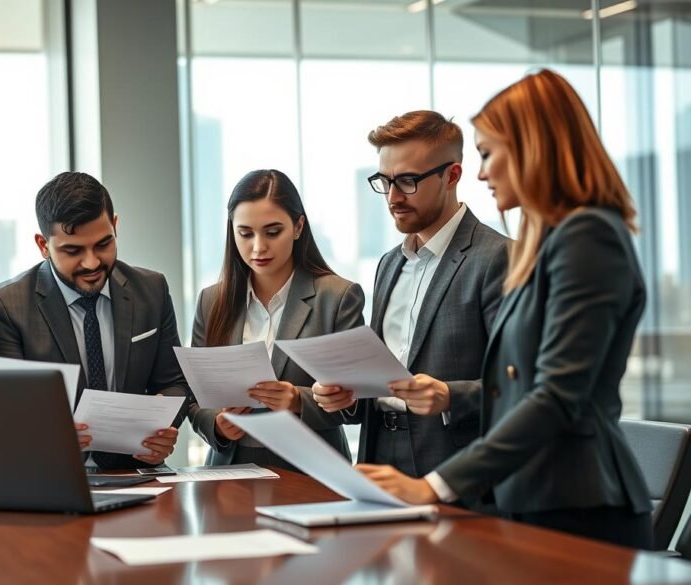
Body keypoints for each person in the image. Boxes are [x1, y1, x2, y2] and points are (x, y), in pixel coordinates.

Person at [357, 70, 654, 549]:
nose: (480, 172)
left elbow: (555, 395)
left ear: (535, 149)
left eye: (489, 154)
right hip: (532, 500)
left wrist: (435, 484)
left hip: (577, 509)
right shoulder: (555, 241)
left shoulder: (588, 237)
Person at [311, 111, 509, 489]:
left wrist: (450, 396)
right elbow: (382, 375)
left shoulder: (496, 258)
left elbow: (518, 386)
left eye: (407, 181)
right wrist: (348, 395)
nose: (392, 197)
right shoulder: (389, 264)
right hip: (378, 454)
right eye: (384, 182)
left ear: (452, 176)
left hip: (454, 464)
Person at [0, 172, 189, 470]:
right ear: (43, 245)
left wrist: (161, 430)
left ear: (115, 226)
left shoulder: (151, 289)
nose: (91, 263)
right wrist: (48, 438)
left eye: (103, 244)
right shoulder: (6, 306)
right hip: (50, 475)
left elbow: (173, 383)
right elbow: (5, 413)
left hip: (138, 471)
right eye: (73, 250)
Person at [188, 169, 365, 470]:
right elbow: (193, 394)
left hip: (313, 473)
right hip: (229, 473)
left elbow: (358, 403)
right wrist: (216, 424)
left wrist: (298, 400)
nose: (258, 247)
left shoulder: (336, 297)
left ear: (298, 227)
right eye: (245, 233)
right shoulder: (212, 300)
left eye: (272, 232)